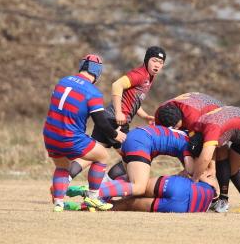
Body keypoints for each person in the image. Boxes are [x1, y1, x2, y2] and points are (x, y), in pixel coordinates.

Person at [58, 46, 166, 184]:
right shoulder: (140, 74)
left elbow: (131, 100)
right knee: (133, 157)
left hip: (107, 118)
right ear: (146, 60)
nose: (157, 65)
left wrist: (145, 116)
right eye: (154, 61)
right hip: (117, 122)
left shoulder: (149, 77)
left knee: (91, 155)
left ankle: (63, 180)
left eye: (160, 63)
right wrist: (119, 112)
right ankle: (104, 186)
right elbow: (117, 85)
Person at [43, 54, 127, 212]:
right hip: (70, 137)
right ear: (97, 74)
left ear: (81, 67)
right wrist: (116, 135)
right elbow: (101, 123)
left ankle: (58, 204)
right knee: (102, 156)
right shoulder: (93, 92)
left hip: (50, 134)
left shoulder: (63, 81)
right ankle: (93, 198)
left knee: (62, 167)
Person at [155, 92, 240, 213]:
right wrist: (189, 168)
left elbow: (203, 147)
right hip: (199, 110)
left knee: (220, 155)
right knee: (194, 158)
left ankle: (223, 199)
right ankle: (230, 200)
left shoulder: (192, 118)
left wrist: (211, 168)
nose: (176, 130)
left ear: (181, 118)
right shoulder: (160, 115)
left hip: (217, 116)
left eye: (176, 126)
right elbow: (183, 147)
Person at [61, 125, 194, 201]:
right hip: (142, 141)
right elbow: (191, 170)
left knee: (129, 179)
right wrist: (190, 170)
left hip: (135, 134)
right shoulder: (189, 145)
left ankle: (96, 189)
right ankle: (95, 192)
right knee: (139, 187)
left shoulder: (184, 134)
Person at [65, 173, 218, 213]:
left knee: (136, 184)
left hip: (181, 186)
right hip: (184, 207)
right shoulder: (207, 204)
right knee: (124, 204)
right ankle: (76, 207)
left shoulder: (212, 185)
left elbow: (201, 174)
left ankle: (95, 189)